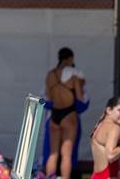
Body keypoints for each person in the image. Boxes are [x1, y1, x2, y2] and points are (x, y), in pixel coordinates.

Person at [45, 47, 83, 179]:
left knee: (53, 153)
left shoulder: (50, 74)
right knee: (66, 154)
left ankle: (50, 177)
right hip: (68, 114)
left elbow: (48, 97)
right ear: (70, 59)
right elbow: (79, 97)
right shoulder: (73, 74)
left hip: (54, 115)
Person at [90, 96, 120, 179]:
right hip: (106, 176)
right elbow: (110, 156)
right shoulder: (115, 127)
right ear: (109, 110)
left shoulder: (99, 124)